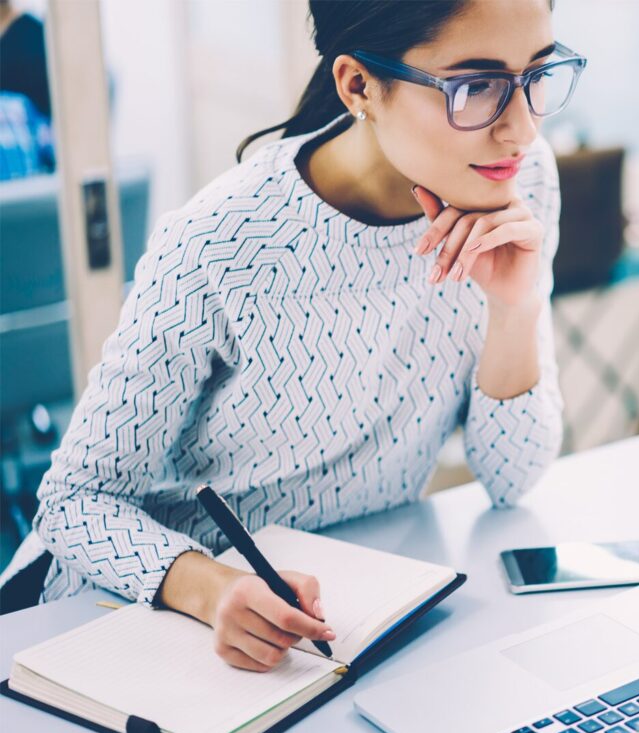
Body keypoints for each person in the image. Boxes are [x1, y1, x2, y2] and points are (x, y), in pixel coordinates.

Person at [0, 0, 585, 673]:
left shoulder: (520, 181)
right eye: (476, 86)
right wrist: (208, 587)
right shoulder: (220, 243)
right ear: (358, 85)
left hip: (342, 622)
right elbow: (74, 504)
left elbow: (514, 477)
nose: (520, 128)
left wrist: (516, 306)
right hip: (132, 621)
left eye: (537, 75)